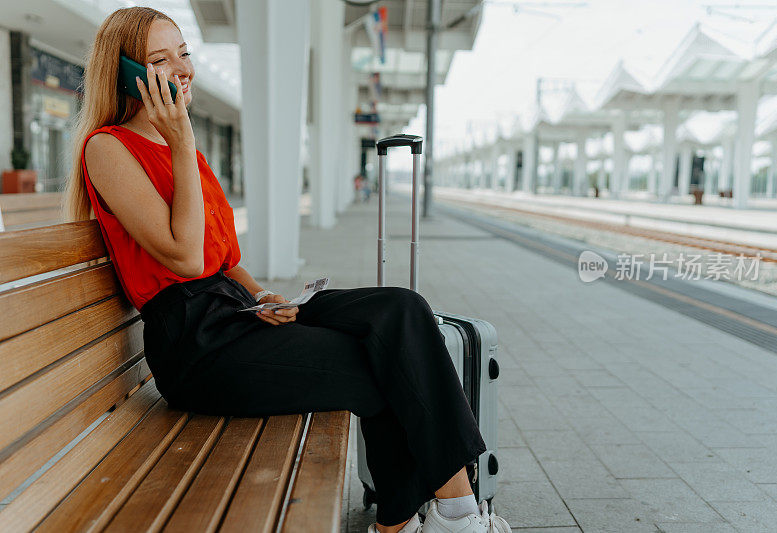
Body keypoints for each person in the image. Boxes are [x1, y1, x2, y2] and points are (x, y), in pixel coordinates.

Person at [62, 7, 510, 533]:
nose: (182, 69)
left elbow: (222, 257)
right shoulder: (108, 149)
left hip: (233, 311)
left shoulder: (185, 151)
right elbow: (184, 257)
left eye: (184, 54)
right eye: (160, 60)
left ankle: (435, 516)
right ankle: (435, 519)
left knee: (401, 310)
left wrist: (264, 295)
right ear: (127, 75)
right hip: (196, 349)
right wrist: (181, 139)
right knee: (383, 363)